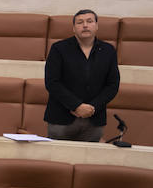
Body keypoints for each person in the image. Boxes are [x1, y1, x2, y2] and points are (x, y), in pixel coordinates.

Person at [44, 9, 120, 142]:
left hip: (94, 120)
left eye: (89, 21)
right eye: (80, 22)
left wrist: (92, 108)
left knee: (89, 161)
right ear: (74, 28)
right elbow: (52, 82)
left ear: (96, 26)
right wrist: (76, 106)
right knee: (58, 159)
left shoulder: (108, 51)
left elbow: (112, 85)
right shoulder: (59, 49)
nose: (85, 25)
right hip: (61, 119)